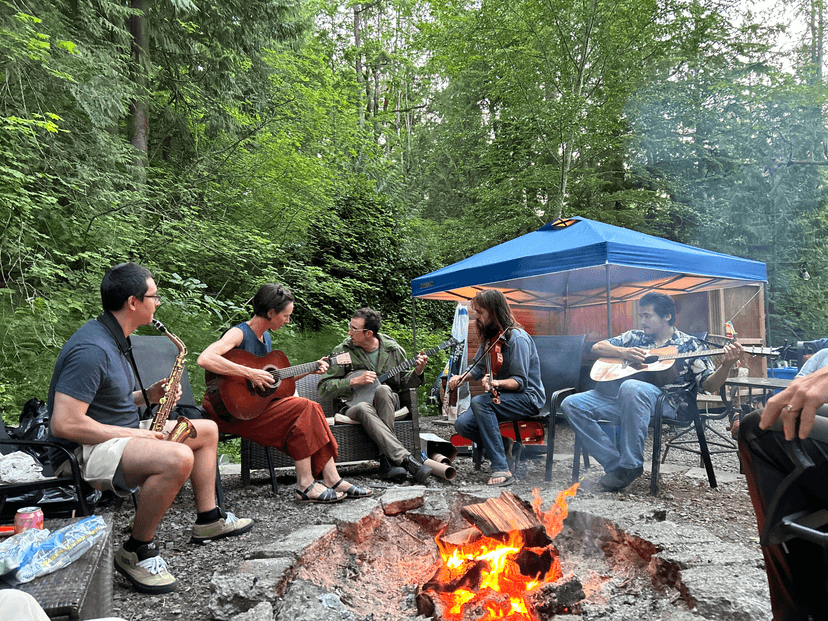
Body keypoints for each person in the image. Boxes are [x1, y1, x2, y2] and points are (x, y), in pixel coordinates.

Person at [47, 262, 253, 595]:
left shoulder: (116, 339)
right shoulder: (91, 349)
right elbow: (66, 422)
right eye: (154, 296)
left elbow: (107, 400)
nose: (157, 303)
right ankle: (136, 549)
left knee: (207, 431)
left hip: (113, 433)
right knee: (177, 457)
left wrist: (148, 396)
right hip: (80, 452)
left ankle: (208, 519)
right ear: (133, 302)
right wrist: (137, 434)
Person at [197, 283, 371, 504]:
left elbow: (272, 383)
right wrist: (250, 373)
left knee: (310, 408)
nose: (288, 321)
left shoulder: (265, 338)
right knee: (305, 408)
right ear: (271, 313)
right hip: (226, 411)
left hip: (251, 409)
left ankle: (331, 478)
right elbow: (205, 358)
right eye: (286, 315)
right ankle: (306, 484)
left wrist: (310, 369)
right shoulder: (238, 333)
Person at [561, 292, 744, 492]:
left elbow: (709, 385)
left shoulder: (689, 344)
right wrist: (623, 352)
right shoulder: (634, 337)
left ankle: (631, 464)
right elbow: (597, 347)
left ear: (666, 316)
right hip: (624, 399)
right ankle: (616, 466)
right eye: (641, 315)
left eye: (647, 315)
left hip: (666, 403)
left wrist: (726, 365)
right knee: (571, 404)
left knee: (631, 387)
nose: (642, 321)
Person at [739, 350, 828, 620]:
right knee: (763, 426)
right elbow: (790, 400)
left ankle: (794, 608)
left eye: (648, 315)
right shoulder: (822, 356)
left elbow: (706, 384)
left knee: (754, 430)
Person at [317, 307, 432, 484]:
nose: (349, 333)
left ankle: (389, 463)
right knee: (364, 407)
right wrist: (353, 382)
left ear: (369, 333)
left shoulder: (393, 350)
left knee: (384, 390)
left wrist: (417, 371)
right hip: (353, 407)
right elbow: (324, 387)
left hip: (385, 402)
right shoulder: (343, 351)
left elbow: (403, 385)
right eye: (350, 327)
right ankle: (400, 460)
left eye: (354, 329)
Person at [448, 290, 546, 487]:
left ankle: (501, 467)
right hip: (501, 398)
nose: (477, 316)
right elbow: (476, 369)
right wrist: (460, 378)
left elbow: (520, 382)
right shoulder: (490, 338)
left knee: (480, 403)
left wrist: (496, 383)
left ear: (494, 311)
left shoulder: (517, 339)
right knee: (462, 425)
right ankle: (504, 444)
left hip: (527, 398)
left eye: (480, 312)